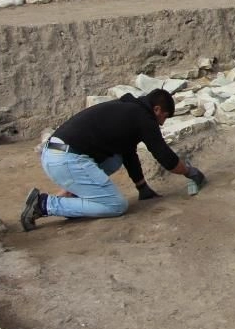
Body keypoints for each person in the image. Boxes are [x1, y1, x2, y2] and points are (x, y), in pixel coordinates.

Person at [20, 89, 207, 231]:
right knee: (116, 205)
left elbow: (128, 151)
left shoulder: (127, 110)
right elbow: (164, 156)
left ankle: (72, 195)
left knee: (115, 159)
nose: (162, 123)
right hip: (67, 160)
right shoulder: (144, 118)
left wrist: (142, 187)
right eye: (164, 116)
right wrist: (190, 172)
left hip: (55, 153)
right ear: (157, 109)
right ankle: (45, 204)